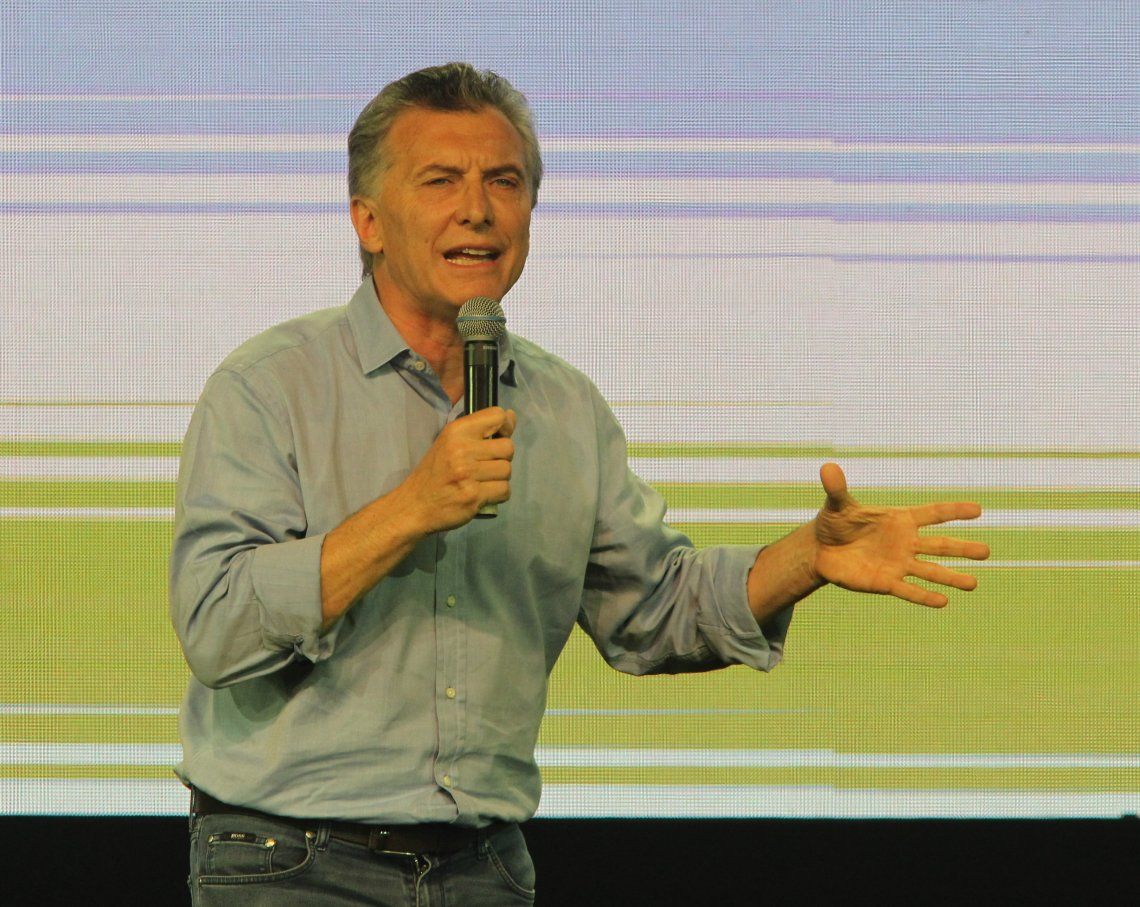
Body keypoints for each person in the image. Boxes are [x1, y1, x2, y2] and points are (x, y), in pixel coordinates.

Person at [169, 62, 990, 906]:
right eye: (441, 180)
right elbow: (217, 627)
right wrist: (412, 508)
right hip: (291, 859)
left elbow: (653, 610)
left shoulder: (565, 408)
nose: (478, 209)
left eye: (505, 181)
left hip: (483, 867)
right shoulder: (270, 388)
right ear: (368, 220)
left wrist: (807, 557)